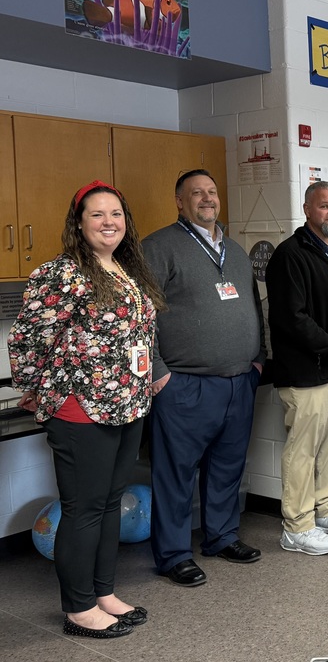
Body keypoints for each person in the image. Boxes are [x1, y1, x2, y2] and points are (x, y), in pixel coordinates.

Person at [8, 181, 163, 638]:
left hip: (128, 403)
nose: (108, 222)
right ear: (79, 222)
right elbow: (28, 337)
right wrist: (37, 388)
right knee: (84, 509)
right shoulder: (62, 273)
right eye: (97, 214)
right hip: (81, 407)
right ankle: (78, 609)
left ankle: (103, 592)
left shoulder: (124, 269)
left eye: (116, 213)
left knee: (111, 503)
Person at [143, 169, 266, 586]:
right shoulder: (159, 247)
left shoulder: (233, 249)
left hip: (238, 380)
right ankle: (174, 554)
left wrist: (258, 359)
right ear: (180, 201)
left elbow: (253, 306)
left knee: (227, 467)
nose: (206, 199)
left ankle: (221, 536)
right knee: (176, 473)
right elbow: (140, 315)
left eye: (211, 192)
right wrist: (158, 373)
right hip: (184, 384)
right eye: (196, 193)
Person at [265, 181, 328, 555]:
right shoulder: (290, 255)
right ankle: (296, 526)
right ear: (307, 209)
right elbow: (291, 318)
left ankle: (325, 510)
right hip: (307, 371)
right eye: (324, 206)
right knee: (303, 448)